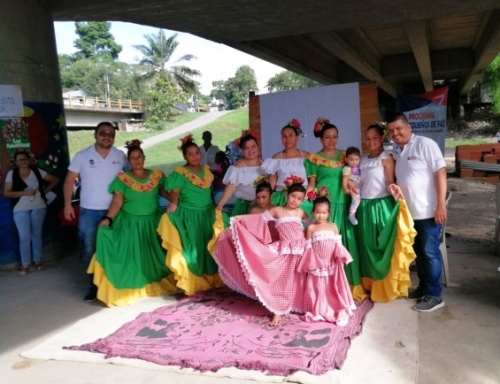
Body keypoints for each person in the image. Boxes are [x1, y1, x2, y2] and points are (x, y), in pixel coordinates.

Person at [86, 140, 177, 307]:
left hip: (152, 223)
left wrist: (178, 202)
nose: (137, 160)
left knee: (155, 257)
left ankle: (153, 284)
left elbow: (167, 194)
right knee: (131, 258)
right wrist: (108, 218)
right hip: (130, 224)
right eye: (133, 158)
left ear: (144, 157)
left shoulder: (156, 176)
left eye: (139, 157)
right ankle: (132, 288)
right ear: (129, 160)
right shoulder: (123, 178)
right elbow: (117, 202)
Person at [213, 179, 309, 326]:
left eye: (299, 198)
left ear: (303, 200)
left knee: (299, 279)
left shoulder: (301, 212)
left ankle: (300, 304)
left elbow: (311, 226)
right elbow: (259, 219)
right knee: (281, 279)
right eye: (293, 196)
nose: (295, 200)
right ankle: (278, 309)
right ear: (287, 195)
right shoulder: (278, 210)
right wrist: (242, 219)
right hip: (284, 250)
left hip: (300, 250)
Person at [387, 113, 447, 312]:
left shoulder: (425, 144)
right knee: (419, 254)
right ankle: (423, 288)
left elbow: (440, 173)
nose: (395, 133)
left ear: (408, 127)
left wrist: (441, 204)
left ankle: (435, 295)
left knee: (430, 253)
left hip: (429, 212)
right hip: (408, 214)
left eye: (398, 129)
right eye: (391, 131)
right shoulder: (397, 151)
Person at [63, 121, 129, 302]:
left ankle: (114, 283)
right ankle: (94, 286)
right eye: (103, 133)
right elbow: (70, 181)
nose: (107, 136)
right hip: (89, 212)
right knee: (90, 249)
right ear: (95, 135)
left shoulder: (120, 156)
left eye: (110, 134)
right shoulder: (82, 156)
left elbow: (131, 180)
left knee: (116, 247)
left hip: (116, 211)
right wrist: (68, 204)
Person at [304, 117, 364, 299]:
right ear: (321, 138)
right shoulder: (313, 159)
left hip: (344, 203)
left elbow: (354, 175)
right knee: (326, 247)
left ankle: (349, 286)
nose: (332, 140)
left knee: (346, 244)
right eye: (328, 137)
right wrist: (301, 199)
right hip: (325, 209)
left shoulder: (345, 156)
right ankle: (328, 288)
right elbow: (312, 183)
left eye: (335, 137)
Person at [356, 123, 416, 302]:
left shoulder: (387, 157)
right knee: (366, 248)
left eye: (374, 138)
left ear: (382, 138)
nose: (371, 141)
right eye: (367, 138)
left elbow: (389, 181)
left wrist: (394, 190)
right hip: (363, 208)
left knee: (381, 248)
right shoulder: (362, 159)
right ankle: (370, 286)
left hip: (381, 206)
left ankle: (386, 287)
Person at [157, 134, 224, 296]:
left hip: (207, 213)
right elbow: (175, 192)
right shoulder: (180, 173)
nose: (194, 156)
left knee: (208, 245)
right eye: (190, 154)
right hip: (190, 215)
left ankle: (211, 278)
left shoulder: (206, 171)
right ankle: (194, 280)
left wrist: (215, 208)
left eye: (197, 153)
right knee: (193, 247)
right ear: (185, 156)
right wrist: (173, 203)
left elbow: (208, 192)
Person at [297, 196, 355, 326]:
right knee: (319, 289)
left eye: (324, 213)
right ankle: (320, 309)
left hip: (331, 264)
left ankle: (337, 308)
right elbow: (309, 248)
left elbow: (337, 245)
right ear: (313, 212)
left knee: (332, 288)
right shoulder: (311, 228)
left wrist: (341, 257)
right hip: (317, 265)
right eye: (318, 212)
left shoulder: (333, 226)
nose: (321, 216)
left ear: (329, 213)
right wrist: (311, 264)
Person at [4, 150, 59, 276]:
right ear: (16, 162)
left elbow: (55, 180)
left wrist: (43, 192)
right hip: (20, 208)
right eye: (20, 160)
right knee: (24, 237)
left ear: (29, 160)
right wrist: (25, 193)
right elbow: (7, 193)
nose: (23, 161)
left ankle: (37, 261)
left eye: (25, 159)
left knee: (37, 235)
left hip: (38, 206)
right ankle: (25, 265)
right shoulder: (12, 174)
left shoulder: (37, 171)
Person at [261, 118, 309, 206]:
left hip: (302, 197)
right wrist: (266, 195)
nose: (287, 139)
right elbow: (272, 181)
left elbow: (311, 178)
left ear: (297, 137)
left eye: (291, 135)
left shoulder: (306, 156)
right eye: (284, 136)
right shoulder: (276, 157)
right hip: (282, 196)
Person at [216, 131, 263, 215]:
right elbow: (232, 186)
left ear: (258, 147)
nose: (250, 150)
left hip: (262, 204)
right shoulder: (239, 166)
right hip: (244, 205)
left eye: (253, 146)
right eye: (246, 148)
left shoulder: (264, 163)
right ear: (242, 150)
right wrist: (221, 204)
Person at [342, 146, 362, 225]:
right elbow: (344, 179)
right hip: (353, 189)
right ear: (346, 159)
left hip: (359, 187)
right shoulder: (347, 169)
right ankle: (351, 214)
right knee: (356, 200)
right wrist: (345, 188)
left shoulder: (358, 167)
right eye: (351, 160)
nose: (354, 162)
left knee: (359, 200)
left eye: (357, 159)